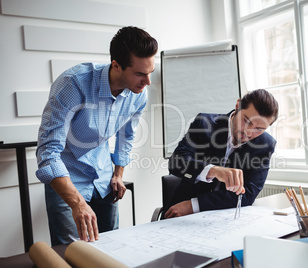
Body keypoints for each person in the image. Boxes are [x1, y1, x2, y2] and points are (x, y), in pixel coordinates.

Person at [35, 26, 158, 245]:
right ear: (116, 65)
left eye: (150, 72)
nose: (147, 81)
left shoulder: (139, 94)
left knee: (110, 249)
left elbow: (126, 137)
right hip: (68, 179)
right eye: (140, 73)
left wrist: (118, 174)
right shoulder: (73, 84)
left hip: (103, 179)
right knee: (71, 254)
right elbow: (48, 152)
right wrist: (77, 203)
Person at [164, 89, 278, 219]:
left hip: (223, 217)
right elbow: (176, 162)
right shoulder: (204, 123)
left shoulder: (265, 144)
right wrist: (213, 170)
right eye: (246, 121)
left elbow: (248, 194)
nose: (248, 132)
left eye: (259, 129)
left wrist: (194, 205)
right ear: (237, 106)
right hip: (179, 214)